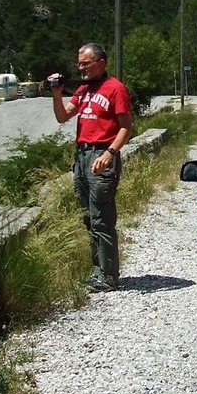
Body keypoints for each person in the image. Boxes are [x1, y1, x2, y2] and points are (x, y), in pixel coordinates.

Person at [47, 43, 132, 292]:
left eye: (86, 63)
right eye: (79, 63)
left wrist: (110, 153)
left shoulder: (115, 89)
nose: (81, 67)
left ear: (101, 62)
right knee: (88, 216)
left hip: (101, 155)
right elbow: (63, 117)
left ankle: (109, 275)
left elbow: (126, 127)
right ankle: (98, 269)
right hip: (82, 156)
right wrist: (57, 93)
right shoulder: (84, 90)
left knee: (101, 217)